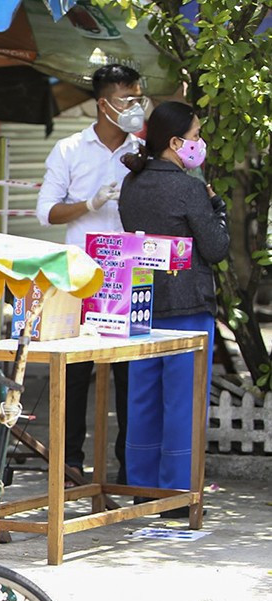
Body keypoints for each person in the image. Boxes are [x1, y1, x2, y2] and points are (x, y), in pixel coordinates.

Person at [36, 63, 147, 483]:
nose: (136, 106)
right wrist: (89, 203)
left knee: (129, 372)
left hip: (130, 273)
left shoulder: (143, 150)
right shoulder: (70, 150)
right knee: (75, 372)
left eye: (139, 98)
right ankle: (69, 468)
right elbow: (44, 211)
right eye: (127, 99)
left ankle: (128, 470)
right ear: (103, 104)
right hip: (79, 276)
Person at [118, 100, 228, 508]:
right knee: (183, 402)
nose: (200, 145)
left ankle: (142, 490)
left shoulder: (133, 183)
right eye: (197, 136)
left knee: (143, 398)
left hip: (142, 303)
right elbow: (215, 249)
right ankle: (178, 494)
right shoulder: (190, 188)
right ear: (176, 142)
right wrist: (218, 210)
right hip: (189, 307)